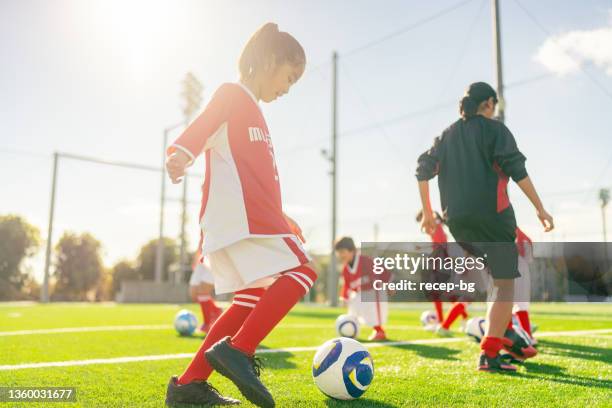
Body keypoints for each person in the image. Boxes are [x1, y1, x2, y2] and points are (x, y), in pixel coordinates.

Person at [164, 23, 314, 408]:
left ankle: (188, 386)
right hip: (242, 218)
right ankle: (240, 350)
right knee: (304, 271)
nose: (288, 88)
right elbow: (202, 126)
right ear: (269, 61)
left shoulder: (257, 116)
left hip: (251, 218)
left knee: (249, 298)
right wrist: (182, 152)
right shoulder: (233, 96)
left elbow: (252, 175)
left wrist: (283, 217)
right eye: (289, 77)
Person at [415, 81, 554, 372]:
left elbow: (422, 169)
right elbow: (518, 171)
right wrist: (540, 208)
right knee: (505, 284)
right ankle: (490, 352)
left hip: (459, 224)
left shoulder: (447, 135)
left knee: (495, 279)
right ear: (488, 103)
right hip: (494, 219)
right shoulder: (496, 130)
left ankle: (506, 333)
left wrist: (428, 214)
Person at [335, 237, 391, 341]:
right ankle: (350, 331)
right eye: (338, 252)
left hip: (375, 291)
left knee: (372, 311)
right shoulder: (345, 269)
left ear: (352, 250)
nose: (340, 255)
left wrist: (389, 284)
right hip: (360, 293)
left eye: (343, 252)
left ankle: (380, 331)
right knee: (352, 310)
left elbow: (382, 271)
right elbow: (347, 285)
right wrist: (344, 298)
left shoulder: (365, 261)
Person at [189, 250, 222, 333]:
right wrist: (196, 258)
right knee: (193, 294)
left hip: (211, 255)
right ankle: (216, 310)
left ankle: (207, 323)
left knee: (202, 291)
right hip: (200, 259)